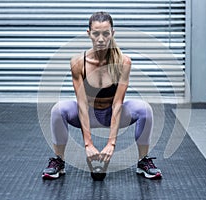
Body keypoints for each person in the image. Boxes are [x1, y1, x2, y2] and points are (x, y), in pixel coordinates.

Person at [42, 11, 162, 179]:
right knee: (58, 109)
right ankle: (58, 161)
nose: (100, 39)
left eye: (105, 33)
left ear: (112, 33)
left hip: (113, 113)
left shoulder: (123, 62)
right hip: (88, 114)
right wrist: (88, 144)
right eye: (96, 33)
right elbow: (82, 104)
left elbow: (117, 104)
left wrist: (111, 144)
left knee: (145, 109)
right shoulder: (78, 63)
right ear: (88, 33)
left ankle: (143, 161)